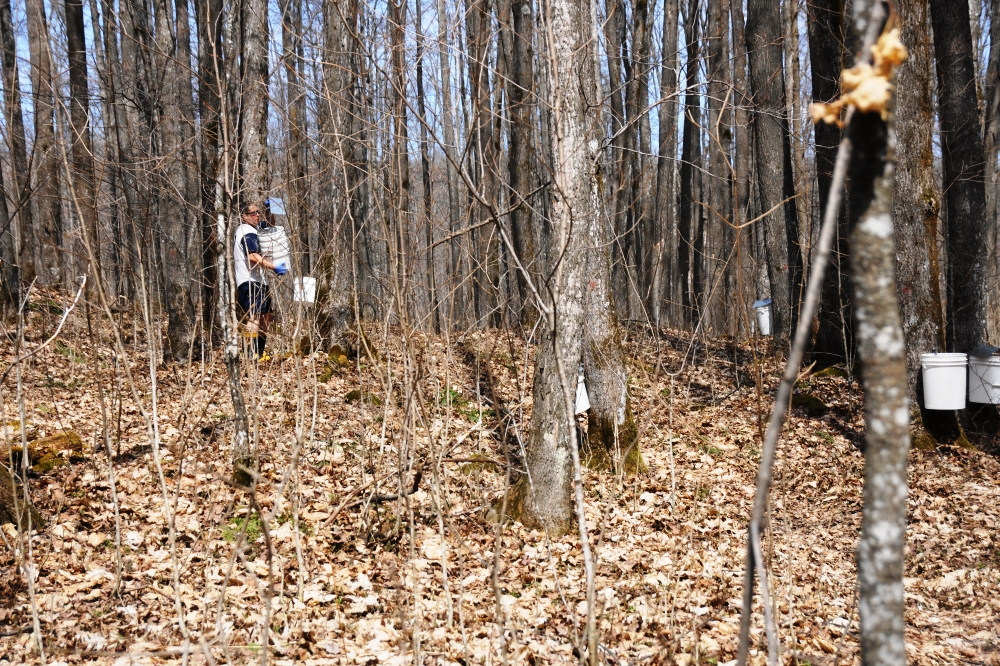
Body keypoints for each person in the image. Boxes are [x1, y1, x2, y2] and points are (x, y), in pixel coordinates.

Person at [234, 202, 287, 358]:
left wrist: (271, 209)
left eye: (258, 212)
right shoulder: (246, 231)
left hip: (260, 282)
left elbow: (270, 224)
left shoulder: (255, 229)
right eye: (253, 213)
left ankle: (259, 352)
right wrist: (273, 267)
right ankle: (248, 355)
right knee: (255, 316)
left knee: (266, 317)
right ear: (244, 217)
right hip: (249, 281)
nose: (257, 215)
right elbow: (251, 256)